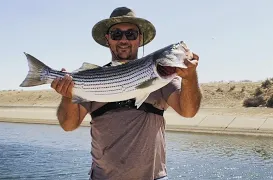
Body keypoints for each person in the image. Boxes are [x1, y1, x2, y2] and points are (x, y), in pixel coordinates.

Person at [51, 7, 202, 180]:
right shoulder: (93, 78)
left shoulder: (165, 78)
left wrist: (190, 78)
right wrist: (67, 94)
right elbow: (68, 125)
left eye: (130, 34)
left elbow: (188, 111)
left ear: (140, 39)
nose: (124, 40)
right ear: (108, 39)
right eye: (116, 34)